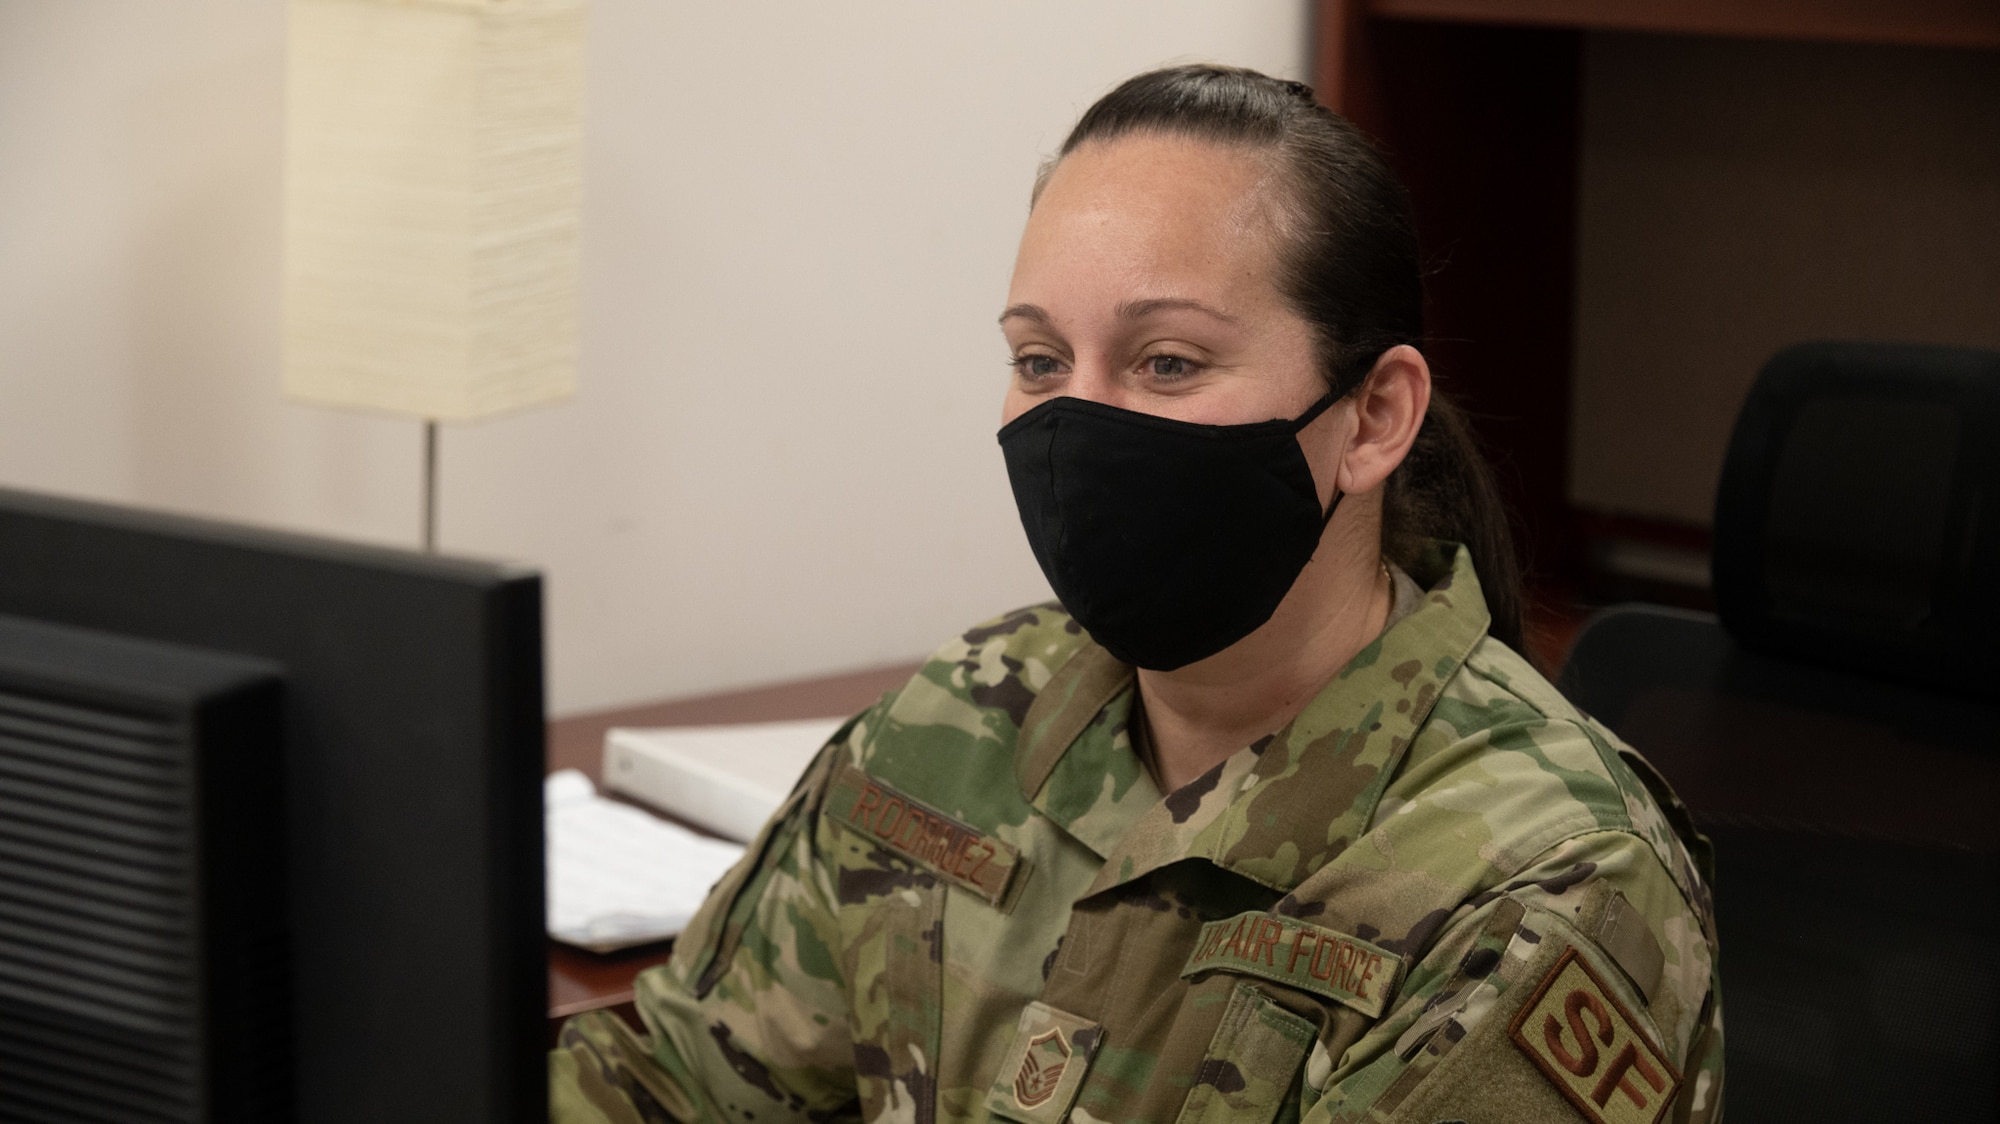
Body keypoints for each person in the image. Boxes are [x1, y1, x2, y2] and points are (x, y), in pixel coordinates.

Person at [552, 64, 1722, 1124]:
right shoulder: (955, 723)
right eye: (1038, 360)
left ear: (1371, 416)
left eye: (1167, 362)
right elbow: (666, 1079)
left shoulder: (1544, 885)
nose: (1078, 423)